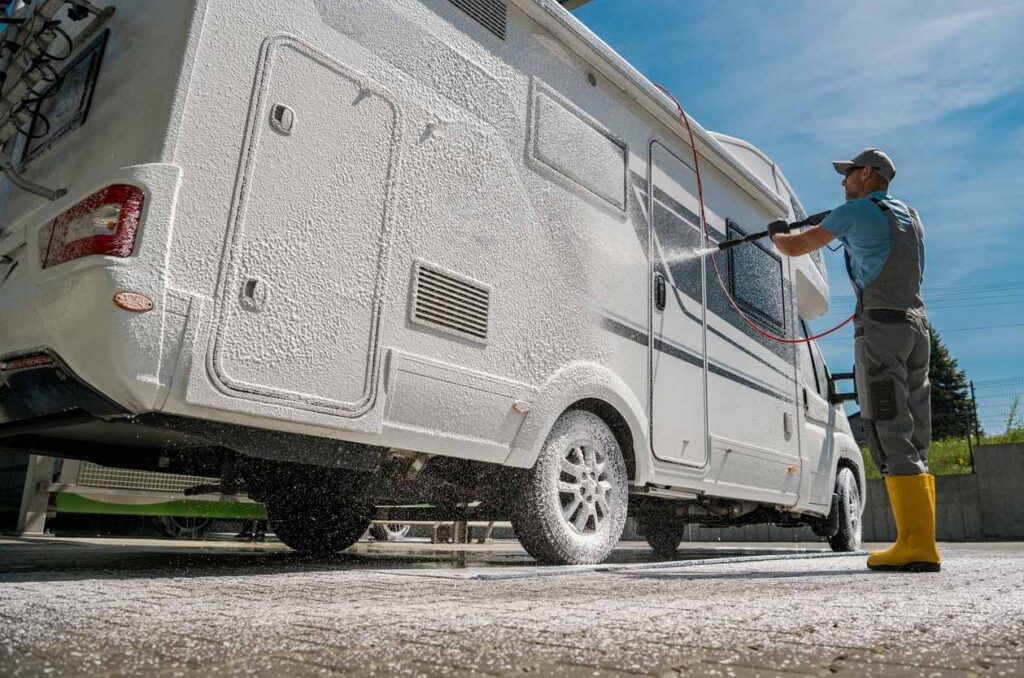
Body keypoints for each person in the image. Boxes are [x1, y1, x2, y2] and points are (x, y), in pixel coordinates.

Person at [769, 148, 940, 573]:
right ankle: (921, 541)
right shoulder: (908, 215)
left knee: (886, 426)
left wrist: (775, 234)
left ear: (866, 173)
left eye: (847, 175)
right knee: (915, 432)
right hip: (916, 328)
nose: (842, 182)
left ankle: (916, 546)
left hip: (880, 330)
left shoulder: (855, 213)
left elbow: (796, 246)